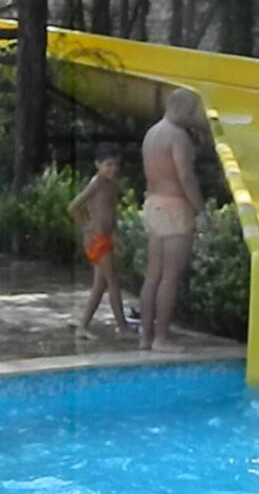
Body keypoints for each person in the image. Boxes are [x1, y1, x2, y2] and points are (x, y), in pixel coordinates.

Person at [139, 88, 208, 352]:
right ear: (178, 108)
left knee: (152, 276)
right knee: (169, 277)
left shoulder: (151, 134)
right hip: (174, 207)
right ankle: (161, 338)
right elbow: (185, 177)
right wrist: (200, 210)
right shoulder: (177, 136)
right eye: (190, 113)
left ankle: (145, 337)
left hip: (153, 203)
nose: (191, 118)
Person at [68, 143, 132, 340]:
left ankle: (82, 327)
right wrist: (85, 229)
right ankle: (122, 328)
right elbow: (73, 206)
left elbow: (112, 211)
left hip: (107, 237)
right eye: (108, 165)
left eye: (116, 164)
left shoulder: (112, 184)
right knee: (112, 281)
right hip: (97, 239)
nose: (113, 168)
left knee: (100, 285)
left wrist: (116, 235)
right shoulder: (96, 183)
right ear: (98, 165)